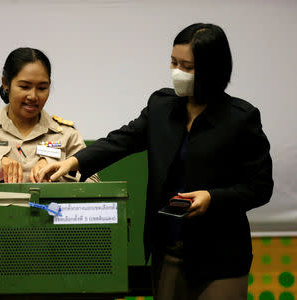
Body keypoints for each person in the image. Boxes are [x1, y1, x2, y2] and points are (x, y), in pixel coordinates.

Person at [38, 23, 273, 299]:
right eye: (174, 62)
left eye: (187, 66)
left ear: (212, 69)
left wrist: (212, 198)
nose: (177, 72)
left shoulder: (240, 118)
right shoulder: (162, 106)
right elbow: (121, 140)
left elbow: (260, 187)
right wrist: (73, 162)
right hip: (168, 249)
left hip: (220, 256)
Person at [0, 47, 99, 184]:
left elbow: (93, 183)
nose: (33, 96)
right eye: (24, 87)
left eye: (42, 88)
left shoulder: (65, 134)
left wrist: (55, 170)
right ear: (6, 83)